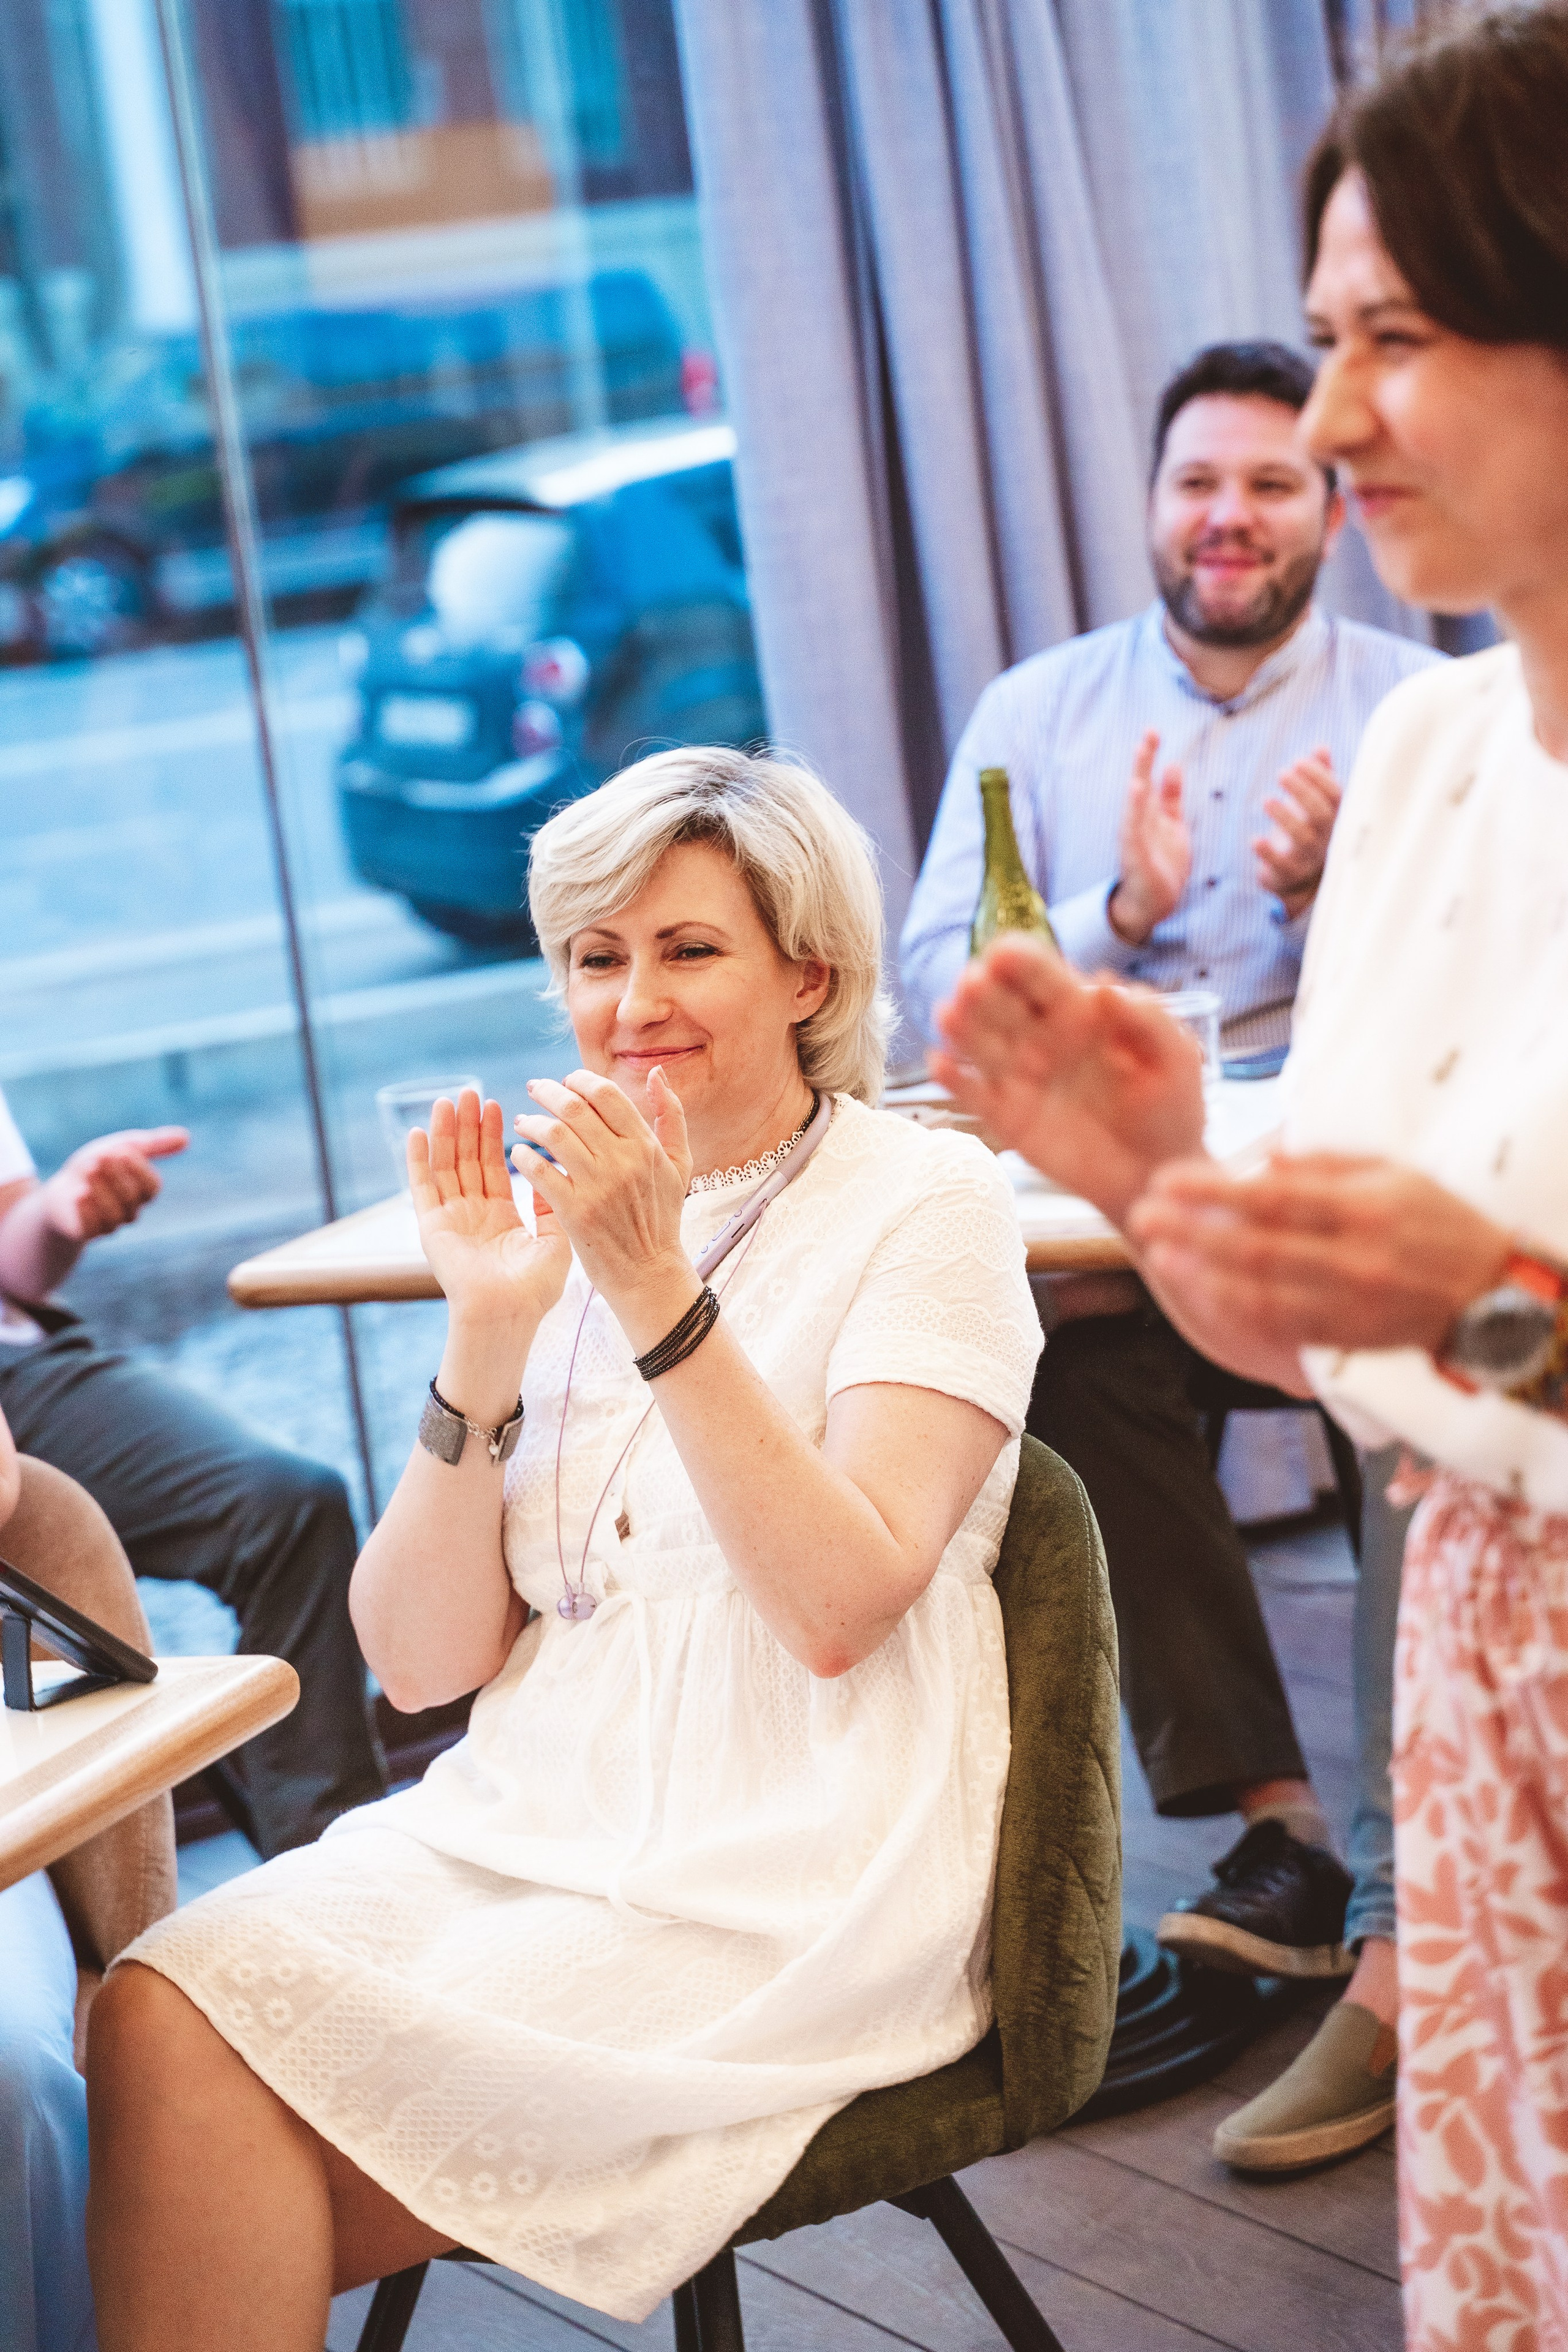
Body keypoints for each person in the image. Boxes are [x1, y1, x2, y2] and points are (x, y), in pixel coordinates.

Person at [85, 747, 1042, 2347]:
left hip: (791, 1869)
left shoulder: (927, 1199)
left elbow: (836, 1609)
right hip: (526, 1821)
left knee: (206, 2127)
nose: (633, 1000)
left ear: (810, 970)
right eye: (597, 959)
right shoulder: (573, 1235)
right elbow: (418, 1662)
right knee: (156, 2002)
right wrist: (483, 1330)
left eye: (689, 949)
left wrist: (658, 1290)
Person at [931, 6, 1568, 2334]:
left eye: (1389, 340)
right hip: (1479, 1685)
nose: (1316, 431)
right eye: (1319, 344)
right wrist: (1157, 1166)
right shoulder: (1420, 765)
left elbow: (1485, 1333)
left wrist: (1482, 1306)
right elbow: (1334, 1343)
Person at [901, 342, 1439, 2034]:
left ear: (1333, 513)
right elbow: (931, 986)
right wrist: (1108, 918)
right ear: (1152, 507)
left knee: (1404, 1388)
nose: (1229, 518)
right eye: (1198, 483)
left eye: (1271, 486)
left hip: (1346, 1230)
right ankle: (1279, 1833)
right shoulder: (1036, 712)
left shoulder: (1422, 713)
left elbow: (1509, 991)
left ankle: (1408, 1876)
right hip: (1123, 1237)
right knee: (1055, 1370)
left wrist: (1349, 890)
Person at [0, 1091, 385, 1857]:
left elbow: (14, 1265)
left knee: (286, 1504)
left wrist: (56, 1214)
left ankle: (326, 1870)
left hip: (20, 1368)